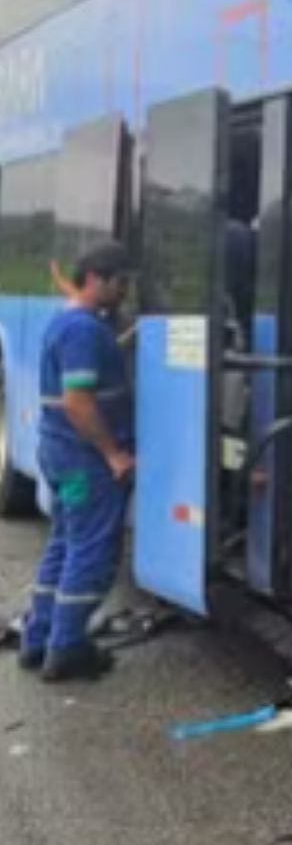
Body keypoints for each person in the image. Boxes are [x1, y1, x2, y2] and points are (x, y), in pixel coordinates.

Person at [18, 240, 136, 681]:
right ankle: (67, 648)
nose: (124, 291)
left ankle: (37, 639)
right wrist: (114, 454)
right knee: (91, 550)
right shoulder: (84, 331)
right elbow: (78, 402)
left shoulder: (69, 322)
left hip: (60, 455)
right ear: (96, 279)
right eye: (120, 282)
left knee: (64, 542)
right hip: (84, 460)